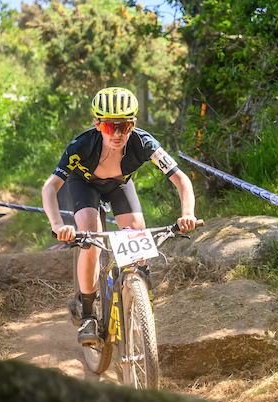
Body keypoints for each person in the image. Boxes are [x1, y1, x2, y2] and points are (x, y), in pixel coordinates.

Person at [42, 86, 198, 346]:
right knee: (90, 239)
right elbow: (50, 187)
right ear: (96, 124)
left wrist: (187, 214)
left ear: (133, 124)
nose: (116, 134)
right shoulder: (81, 145)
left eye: (123, 127)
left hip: (119, 184)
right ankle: (89, 314)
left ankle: (137, 300)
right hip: (85, 184)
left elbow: (181, 181)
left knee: (137, 234)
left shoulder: (144, 143)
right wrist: (58, 224)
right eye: (108, 127)